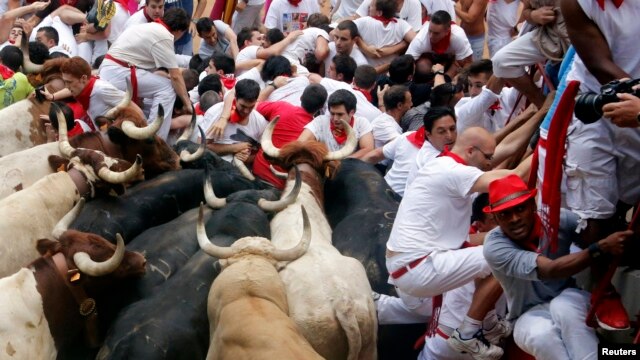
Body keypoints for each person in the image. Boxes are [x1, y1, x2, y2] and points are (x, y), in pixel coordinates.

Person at [386, 127, 532, 359]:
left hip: (411, 270)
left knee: (493, 251)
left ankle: (486, 324)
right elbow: (512, 178)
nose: (490, 163)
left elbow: (508, 149)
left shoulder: (445, 165)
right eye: (487, 158)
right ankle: (469, 332)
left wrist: (542, 114)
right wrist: (552, 137)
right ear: (471, 151)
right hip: (419, 270)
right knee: (504, 252)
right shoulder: (450, 171)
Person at [554, 0, 640, 331]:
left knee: (627, 198)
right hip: (598, 103)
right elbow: (599, 62)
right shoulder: (575, 2)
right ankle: (602, 290)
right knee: (597, 205)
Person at [483, 174, 633, 359]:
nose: (514, 219)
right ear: (496, 219)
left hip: (568, 298)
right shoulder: (494, 245)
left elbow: (592, 236)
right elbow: (550, 270)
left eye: (520, 209)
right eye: (505, 214)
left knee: (564, 308)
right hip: (525, 315)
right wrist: (600, 248)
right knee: (541, 335)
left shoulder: (559, 218)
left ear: (532, 206)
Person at [99, 8, 192, 140]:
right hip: (118, 71)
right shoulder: (163, 35)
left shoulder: (150, 27)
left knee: (160, 84)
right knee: (168, 87)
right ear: (179, 31)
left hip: (112, 70)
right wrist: (188, 104)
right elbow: (175, 76)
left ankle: (148, 131)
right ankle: (154, 140)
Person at [492, 0, 567, 108]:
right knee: (501, 61)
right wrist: (534, 15)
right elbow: (526, 10)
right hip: (548, 36)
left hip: (580, 39)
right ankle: (543, 106)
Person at [253, 83, 328, 189]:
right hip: (282, 186)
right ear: (321, 107)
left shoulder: (281, 106)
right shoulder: (316, 132)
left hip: (257, 173)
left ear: (301, 97)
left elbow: (254, 105)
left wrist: (273, 85)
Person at [201, 79, 267, 164]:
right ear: (235, 98)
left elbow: (262, 154)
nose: (246, 111)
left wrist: (247, 159)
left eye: (251, 107)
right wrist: (234, 148)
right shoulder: (215, 112)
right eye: (242, 106)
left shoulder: (260, 122)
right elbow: (202, 146)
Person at [299, 89, 373, 159]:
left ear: (352, 112)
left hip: (350, 168)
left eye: (340, 114)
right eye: (332, 113)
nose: (335, 119)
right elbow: (300, 143)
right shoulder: (320, 121)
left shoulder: (361, 123)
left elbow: (368, 149)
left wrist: (343, 162)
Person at [406, 10, 473, 78]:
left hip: (452, 62)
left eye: (436, 33)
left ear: (447, 31)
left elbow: (468, 63)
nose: (431, 36)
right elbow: (406, 64)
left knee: (461, 66)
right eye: (430, 31)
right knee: (422, 66)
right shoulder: (420, 39)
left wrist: (453, 79)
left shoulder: (458, 36)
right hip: (429, 61)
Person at [371, 84, 411, 149]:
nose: (411, 104)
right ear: (400, 105)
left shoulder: (390, 119)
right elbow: (401, 146)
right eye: (409, 101)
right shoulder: (383, 125)